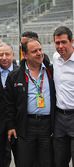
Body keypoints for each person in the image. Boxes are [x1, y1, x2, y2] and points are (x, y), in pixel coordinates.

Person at [5, 38, 54, 167]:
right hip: (26, 125)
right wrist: (11, 126)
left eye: (40, 50)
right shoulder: (14, 76)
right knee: (25, 162)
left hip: (47, 125)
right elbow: (9, 104)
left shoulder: (51, 71)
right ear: (25, 55)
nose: (39, 53)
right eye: (34, 51)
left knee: (46, 162)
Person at [0, 43, 18, 167]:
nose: (4, 57)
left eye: (7, 54)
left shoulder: (21, 72)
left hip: (18, 124)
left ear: (13, 55)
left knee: (23, 158)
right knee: (0, 160)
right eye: (0, 55)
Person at [52, 26, 74, 167]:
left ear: (72, 41)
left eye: (63, 42)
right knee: (59, 161)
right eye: (57, 43)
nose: (60, 46)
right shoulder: (55, 58)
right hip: (59, 118)